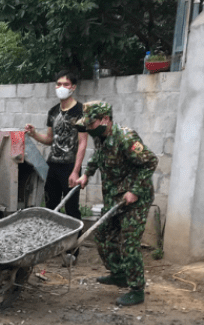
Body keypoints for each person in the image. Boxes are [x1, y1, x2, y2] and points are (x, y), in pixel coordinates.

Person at [75, 102, 156, 307]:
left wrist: (135, 191)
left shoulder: (126, 138)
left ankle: (136, 289)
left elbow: (150, 162)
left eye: (91, 123)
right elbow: (97, 158)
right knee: (103, 237)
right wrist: (86, 174)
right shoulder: (101, 137)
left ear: (105, 120)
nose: (89, 128)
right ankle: (119, 274)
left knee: (129, 243)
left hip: (135, 199)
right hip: (114, 197)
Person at [25, 70, 88, 262]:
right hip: (53, 165)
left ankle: (73, 250)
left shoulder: (81, 111)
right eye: (58, 84)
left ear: (73, 87)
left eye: (66, 84)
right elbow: (50, 139)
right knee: (51, 206)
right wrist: (35, 134)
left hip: (70, 167)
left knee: (72, 209)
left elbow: (83, 142)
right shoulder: (53, 111)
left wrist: (76, 170)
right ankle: (53, 245)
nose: (62, 88)